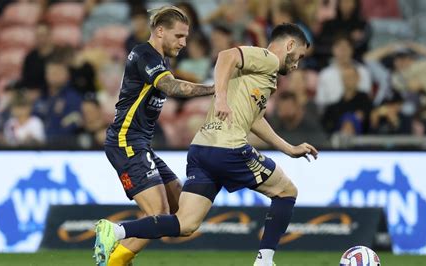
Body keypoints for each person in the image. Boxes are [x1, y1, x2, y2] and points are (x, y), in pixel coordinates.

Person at [95, 23, 318, 266]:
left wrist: (288, 148)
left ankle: (115, 231)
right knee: (287, 191)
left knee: (185, 223)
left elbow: (254, 118)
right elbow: (227, 55)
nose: (297, 63)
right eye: (300, 56)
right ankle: (265, 261)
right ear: (290, 45)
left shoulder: (262, 76)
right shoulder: (268, 58)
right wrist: (220, 96)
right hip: (229, 148)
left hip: (201, 150)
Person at [94, 6, 214, 266]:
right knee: (158, 212)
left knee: (177, 211)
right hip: (126, 141)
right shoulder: (144, 54)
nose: (184, 43)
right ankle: (113, 251)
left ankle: (117, 254)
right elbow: (170, 86)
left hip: (140, 144)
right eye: (179, 36)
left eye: (186, 37)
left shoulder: (160, 59)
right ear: (160, 31)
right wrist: (215, 89)